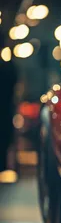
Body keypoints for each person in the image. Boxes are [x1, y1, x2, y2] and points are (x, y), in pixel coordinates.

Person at [0, 31, 18, 179]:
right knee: (4, 138)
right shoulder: (8, 67)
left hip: (5, 110)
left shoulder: (8, 67)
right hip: (5, 111)